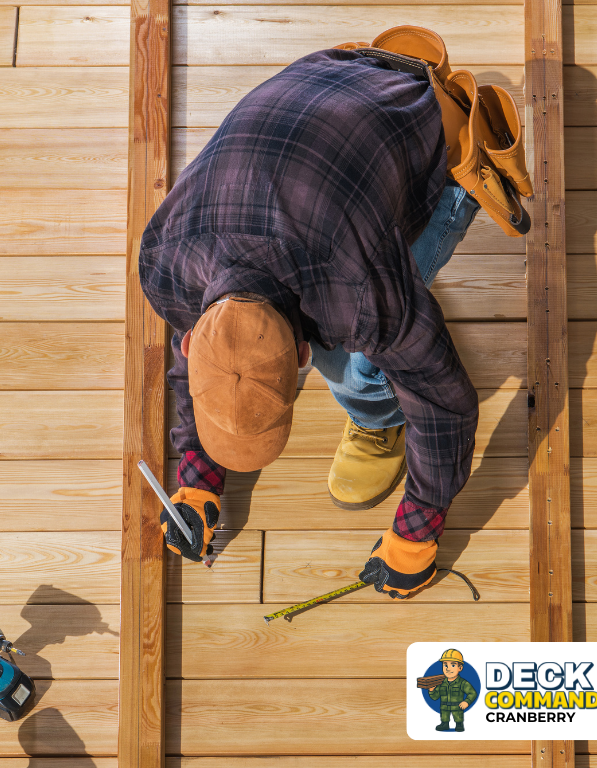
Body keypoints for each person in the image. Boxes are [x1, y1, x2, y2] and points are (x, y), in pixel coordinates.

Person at [138, 46, 482, 598]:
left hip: (430, 124)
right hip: (325, 77)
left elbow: (445, 402)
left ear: (299, 358)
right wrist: (196, 474)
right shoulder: (166, 265)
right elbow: (198, 359)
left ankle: (377, 419)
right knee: (365, 325)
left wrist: (419, 529)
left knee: (354, 365)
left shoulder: (354, 291)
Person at [427, 648, 476, 732]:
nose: (448, 669)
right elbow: (435, 697)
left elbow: (472, 693)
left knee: (458, 718)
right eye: (445, 665)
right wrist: (431, 691)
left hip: (457, 707)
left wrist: (466, 702)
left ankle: (459, 724)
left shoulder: (463, 683)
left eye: (453, 665)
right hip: (444, 707)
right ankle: (444, 724)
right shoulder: (441, 683)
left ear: (460, 668)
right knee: (444, 716)